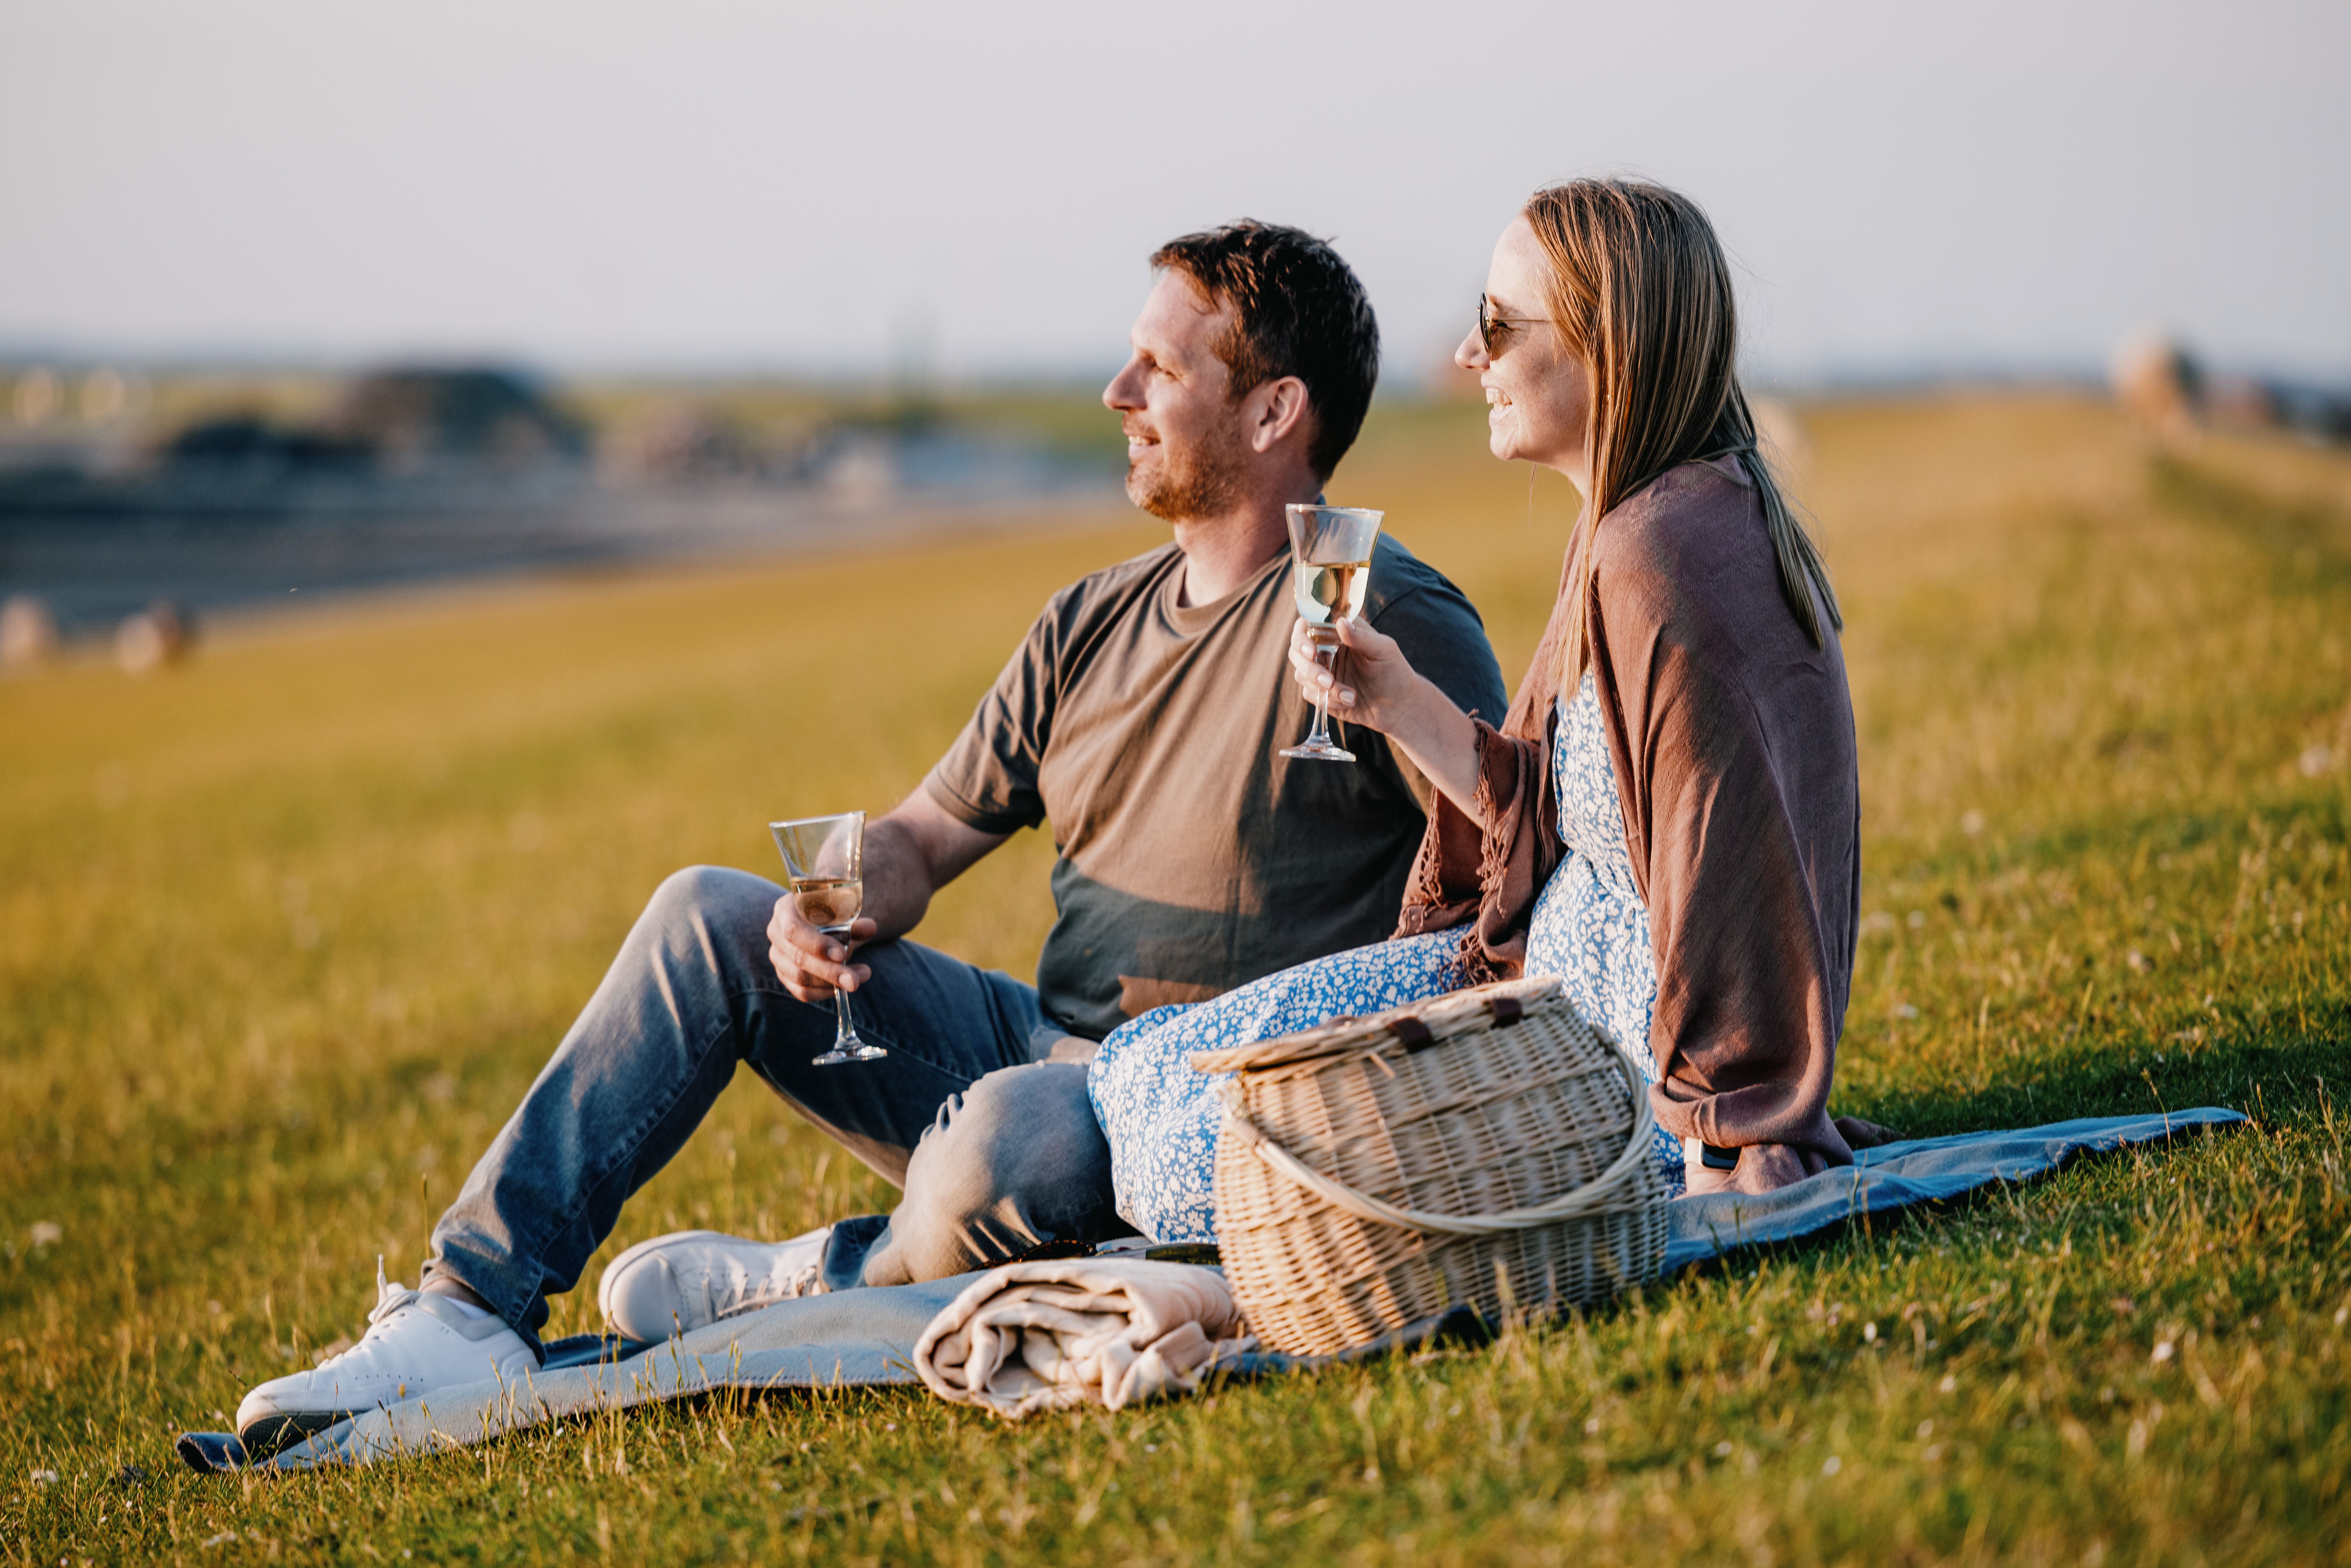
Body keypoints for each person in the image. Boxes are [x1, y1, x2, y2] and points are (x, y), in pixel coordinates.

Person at [232, 222, 1508, 1453]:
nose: (1117, 390)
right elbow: (920, 833)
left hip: (1204, 1107)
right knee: (706, 913)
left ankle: (829, 1273)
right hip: (1033, 1045)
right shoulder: (1088, 622)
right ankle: (467, 1311)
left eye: (1160, 369)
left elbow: (1503, 871)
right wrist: (833, 899)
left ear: (1273, 412)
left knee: (1005, 1143)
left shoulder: (1390, 617)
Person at [1088, 180, 1894, 1250]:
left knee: (1190, 1150)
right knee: (1146, 1067)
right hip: (1539, 1000)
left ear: (1610, 344)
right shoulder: (1638, 519)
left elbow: (1730, 870)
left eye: (1498, 327)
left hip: (1605, 1076)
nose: (1470, 357)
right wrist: (1398, 702)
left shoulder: (1661, 554)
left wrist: (1723, 1133)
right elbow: (1575, 817)